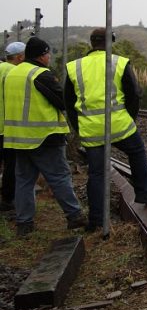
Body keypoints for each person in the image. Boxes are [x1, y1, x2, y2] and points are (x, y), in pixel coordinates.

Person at [65, 28, 147, 232]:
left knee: (97, 174)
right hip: (119, 125)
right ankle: (144, 192)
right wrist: (130, 118)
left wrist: (79, 127)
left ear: (92, 43)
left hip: (91, 129)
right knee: (137, 152)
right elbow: (133, 94)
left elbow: (69, 102)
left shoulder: (74, 67)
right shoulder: (119, 62)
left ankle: (96, 221)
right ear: (111, 42)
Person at [3, 37, 86, 236]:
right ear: (41, 55)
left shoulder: (13, 73)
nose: (49, 57)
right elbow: (62, 101)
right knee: (59, 176)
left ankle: (24, 223)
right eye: (48, 54)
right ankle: (74, 215)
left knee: (23, 181)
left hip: (18, 138)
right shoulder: (40, 74)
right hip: (44, 136)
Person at [0, 41, 26, 212]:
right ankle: (7, 200)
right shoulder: (16, 72)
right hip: (7, 126)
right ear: (19, 57)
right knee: (11, 165)